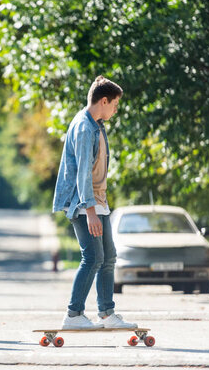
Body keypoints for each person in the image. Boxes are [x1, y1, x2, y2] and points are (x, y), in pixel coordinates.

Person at [53, 76, 137, 330]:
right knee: (93, 257)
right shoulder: (84, 127)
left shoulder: (97, 125)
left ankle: (106, 313)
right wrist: (89, 210)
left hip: (97, 200)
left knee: (108, 257)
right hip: (82, 202)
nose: (116, 109)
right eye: (115, 104)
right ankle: (73, 314)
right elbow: (82, 173)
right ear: (103, 100)